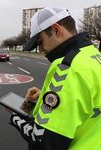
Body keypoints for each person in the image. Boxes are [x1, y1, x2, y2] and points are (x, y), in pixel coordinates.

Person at [9, 7, 101, 150]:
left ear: (56, 30)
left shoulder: (68, 67)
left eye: (40, 42)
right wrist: (44, 100)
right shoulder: (93, 54)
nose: (40, 50)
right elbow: (87, 106)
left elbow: (44, 140)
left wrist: (15, 117)